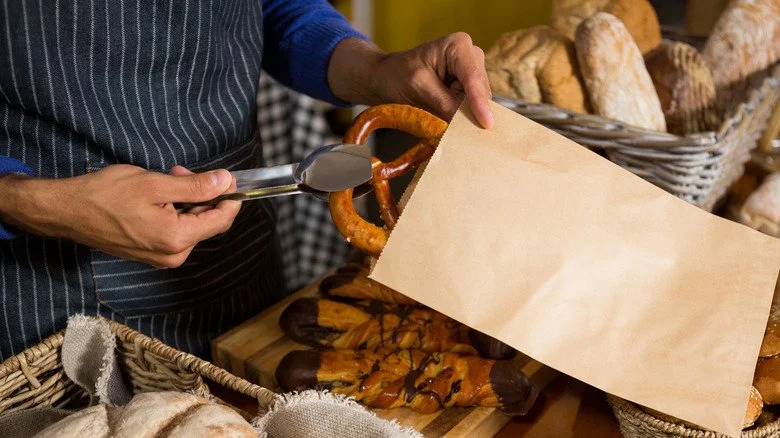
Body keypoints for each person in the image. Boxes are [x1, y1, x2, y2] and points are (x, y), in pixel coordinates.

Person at [0, 0, 493, 361]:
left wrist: (377, 69)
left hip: (245, 269)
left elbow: (275, 7)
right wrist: (37, 203)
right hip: (57, 307)